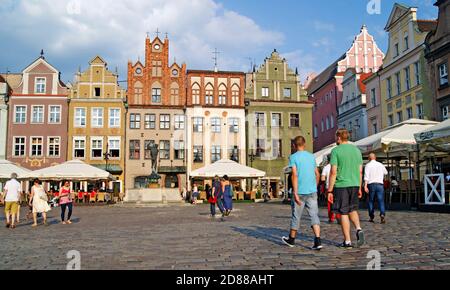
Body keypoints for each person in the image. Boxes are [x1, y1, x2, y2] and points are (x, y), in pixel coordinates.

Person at [282, 136, 323, 251]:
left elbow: (294, 175)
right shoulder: (311, 157)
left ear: (294, 146)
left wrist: (294, 192)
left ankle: (291, 239)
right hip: (312, 191)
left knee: (296, 216)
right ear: (304, 144)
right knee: (314, 215)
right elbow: (317, 174)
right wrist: (315, 186)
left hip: (299, 191)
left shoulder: (293, 157)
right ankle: (318, 240)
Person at [327, 128, 365, 249]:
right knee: (353, 209)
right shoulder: (356, 150)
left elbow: (333, 172)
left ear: (338, 137)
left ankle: (347, 241)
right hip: (354, 184)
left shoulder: (336, 151)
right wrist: (359, 187)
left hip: (341, 185)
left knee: (343, 213)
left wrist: (330, 190)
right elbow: (360, 171)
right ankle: (358, 229)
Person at [364, 153, 388, 224]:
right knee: (381, 201)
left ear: (369, 158)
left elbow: (366, 177)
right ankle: (382, 214)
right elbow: (386, 172)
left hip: (371, 184)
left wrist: (365, 186)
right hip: (380, 184)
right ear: (375, 157)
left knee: (371, 201)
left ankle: (371, 216)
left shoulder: (368, 165)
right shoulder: (380, 165)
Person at [321, 155, 336, 223]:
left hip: (329, 187)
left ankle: (331, 217)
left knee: (330, 203)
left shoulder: (326, 167)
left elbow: (322, 178)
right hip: (337, 186)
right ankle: (339, 216)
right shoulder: (337, 165)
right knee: (338, 201)